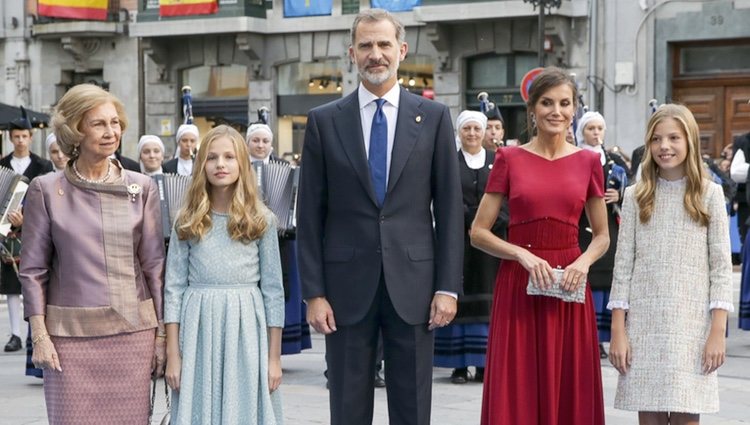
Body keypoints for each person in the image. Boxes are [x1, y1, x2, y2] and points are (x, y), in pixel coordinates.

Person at [297, 8, 463, 425]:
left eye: (384, 44)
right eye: (366, 45)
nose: (376, 54)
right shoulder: (323, 121)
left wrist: (447, 287)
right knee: (348, 409)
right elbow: (310, 216)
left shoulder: (435, 119)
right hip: (345, 290)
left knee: (413, 410)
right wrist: (313, 293)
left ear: (401, 50)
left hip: (415, 289)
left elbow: (448, 210)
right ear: (352, 54)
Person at [20, 83, 166, 424]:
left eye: (115, 123)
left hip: (132, 335)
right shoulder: (46, 190)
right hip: (68, 339)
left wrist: (161, 336)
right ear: (75, 129)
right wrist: (39, 336)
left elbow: (155, 267)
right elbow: (33, 271)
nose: (111, 131)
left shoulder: (141, 187)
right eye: (99, 123)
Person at [471, 67, 609, 425]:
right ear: (532, 109)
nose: (556, 111)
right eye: (547, 103)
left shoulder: (589, 161)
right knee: (517, 383)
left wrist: (583, 263)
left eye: (565, 103)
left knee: (569, 381)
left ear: (575, 109)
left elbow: (602, 236)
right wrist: (521, 254)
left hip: (569, 283)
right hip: (519, 283)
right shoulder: (508, 159)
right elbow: (479, 232)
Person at [608, 104, 734, 424]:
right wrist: (618, 330)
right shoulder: (637, 196)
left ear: (690, 141)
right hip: (644, 327)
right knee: (648, 414)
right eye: (657, 139)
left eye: (674, 138)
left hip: (691, 328)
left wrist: (717, 331)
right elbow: (623, 266)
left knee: (685, 414)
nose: (665, 146)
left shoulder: (709, 195)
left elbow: (720, 267)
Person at [164, 125, 284, 424]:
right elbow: (173, 288)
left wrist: (273, 358)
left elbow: (273, 291)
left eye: (229, 157)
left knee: (244, 409)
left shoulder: (261, 219)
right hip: (198, 329)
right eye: (212, 157)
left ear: (242, 164)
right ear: (201, 164)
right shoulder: (187, 219)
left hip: (246, 327)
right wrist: (173, 353)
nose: (220, 164)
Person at [434, 110, 508, 385]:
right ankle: (459, 365)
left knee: (489, 300)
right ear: (460, 132)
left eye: (478, 129)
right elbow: (445, 197)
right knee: (459, 297)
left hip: (491, 243)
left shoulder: (497, 160)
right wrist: (469, 222)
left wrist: (487, 224)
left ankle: (486, 364)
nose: (473, 134)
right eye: (468, 129)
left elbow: (507, 197)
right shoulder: (450, 162)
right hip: (459, 241)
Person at [245, 123, 312, 355]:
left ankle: (279, 346)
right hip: (246, 237)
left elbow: (296, 199)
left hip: (282, 238)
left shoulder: (284, 167)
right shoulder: (240, 168)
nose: (260, 145)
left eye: (265, 141)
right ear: (248, 143)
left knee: (281, 289)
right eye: (256, 140)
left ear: (271, 145)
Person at [0, 108, 54, 354]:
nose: (20, 140)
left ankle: (35, 329)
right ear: (11, 138)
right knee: (10, 283)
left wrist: (26, 219)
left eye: (24, 136)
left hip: (34, 228)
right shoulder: (2, 165)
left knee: (33, 280)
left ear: (31, 137)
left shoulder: (42, 165)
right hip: (6, 230)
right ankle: (14, 334)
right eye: (16, 136)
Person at [575, 111, 627, 359]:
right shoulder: (575, 156)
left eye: (599, 128)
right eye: (590, 129)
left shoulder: (614, 159)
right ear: (581, 132)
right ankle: (588, 337)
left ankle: (605, 337)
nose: (596, 133)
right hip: (582, 225)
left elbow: (633, 187)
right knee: (590, 278)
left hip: (609, 224)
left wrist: (620, 196)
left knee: (608, 278)